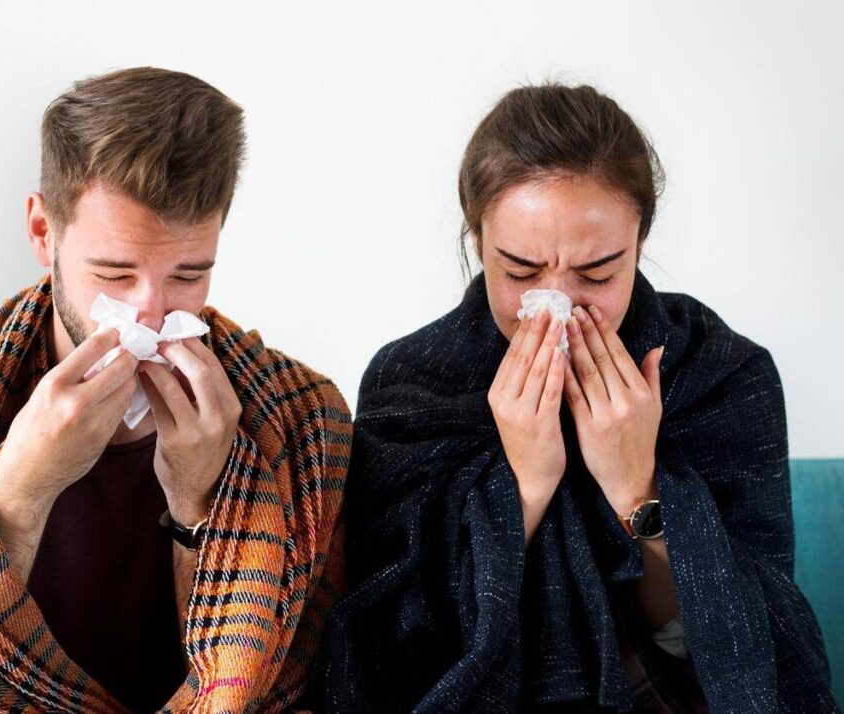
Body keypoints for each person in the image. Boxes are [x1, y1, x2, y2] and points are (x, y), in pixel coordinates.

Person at [0, 67, 351, 713]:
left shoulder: (302, 420)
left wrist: (201, 502)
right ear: (44, 232)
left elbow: (287, 686)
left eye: (189, 274)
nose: (150, 314)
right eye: (114, 273)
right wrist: (20, 489)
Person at [318, 84, 837, 712]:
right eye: (519, 272)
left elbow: (755, 654)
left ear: (639, 241)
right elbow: (390, 649)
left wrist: (637, 488)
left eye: (597, 274)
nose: (558, 307)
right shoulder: (410, 383)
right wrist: (524, 488)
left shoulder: (722, 374)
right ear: (477, 240)